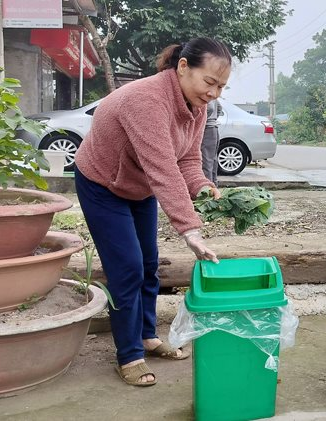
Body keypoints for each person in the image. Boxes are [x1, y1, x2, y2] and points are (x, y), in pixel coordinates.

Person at [74, 37, 231, 386]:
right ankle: (129, 354)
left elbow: (187, 159)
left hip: (139, 185)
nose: (215, 93)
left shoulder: (196, 105)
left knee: (148, 263)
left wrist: (201, 186)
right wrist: (191, 230)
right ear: (183, 67)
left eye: (221, 86)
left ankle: (148, 336)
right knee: (126, 268)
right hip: (102, 183)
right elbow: (162, 169)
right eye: (210, 82)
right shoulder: (146, 100)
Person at [201, 99, 222, 185]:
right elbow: (219, 108)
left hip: (207, 128)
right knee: (212, 160)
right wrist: (213, 119)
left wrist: (204, 120)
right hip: (214, 128)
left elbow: (209, 108)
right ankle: (214, 184)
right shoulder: (213, 95)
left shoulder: (205, 94)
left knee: (207, 162)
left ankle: (208, 188)